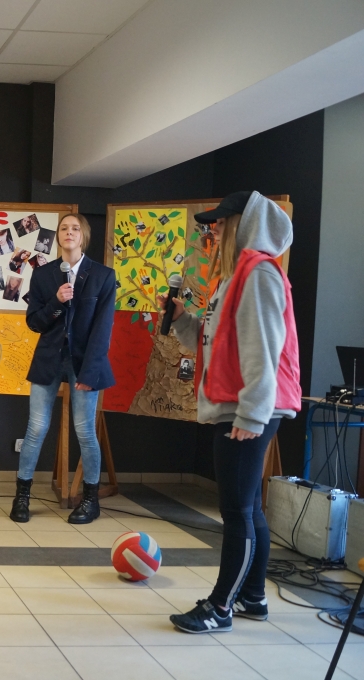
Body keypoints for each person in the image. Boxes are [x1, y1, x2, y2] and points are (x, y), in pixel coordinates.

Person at [162, 191, 300, 634]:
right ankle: (253, 597)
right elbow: (210, 342)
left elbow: (264, 347)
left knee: (237, 511)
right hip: (240, 405)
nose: (215, 229)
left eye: (222, 222)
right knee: (248, 508)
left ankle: (220, 607)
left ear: (244, 224)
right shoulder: (232, 278)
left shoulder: (260, 274)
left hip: (249, 407)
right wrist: (181, 319)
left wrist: (252, 414)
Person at [10, 214, 115, 525]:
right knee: (36, 428)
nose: (69, 232)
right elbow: (34, 322)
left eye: (75, 228)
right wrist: (56, 302)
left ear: (84, 236)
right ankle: (22, 496)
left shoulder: (103, 276)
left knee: (85, 430)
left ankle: (90, 500)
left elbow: (103, 330)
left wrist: (90, 373)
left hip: (85, 362)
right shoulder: (43, 275)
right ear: (58, 236)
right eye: (64, 228)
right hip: (49, 359)